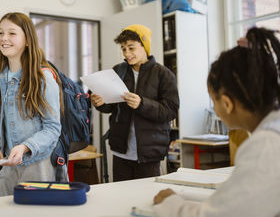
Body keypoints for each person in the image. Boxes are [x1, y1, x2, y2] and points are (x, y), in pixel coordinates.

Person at [153, 27, 280, 217]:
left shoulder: (264, 146)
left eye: (214, 100)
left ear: (227, 103)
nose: (215, 109)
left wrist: (170, 203)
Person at [0, 12, 62, 197]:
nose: (4, 39)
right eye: (0, 33)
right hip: (9, 163)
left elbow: (53, 128)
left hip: (37, 164)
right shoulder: (0, 77)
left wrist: (25, 146)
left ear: (27, 40)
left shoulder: (43, 78)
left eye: (12, 33)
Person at [91, 24, 179, 181]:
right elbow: (111, 106)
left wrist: (142, 104)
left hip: (149, 153)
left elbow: (171, 110)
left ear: (145, 46)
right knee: (121, 198)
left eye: (131, 48)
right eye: (124, 49)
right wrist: (100, 103)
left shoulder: (163, 74)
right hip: (120, 151)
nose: (127, 53)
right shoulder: (118, 70)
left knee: (145, 198)